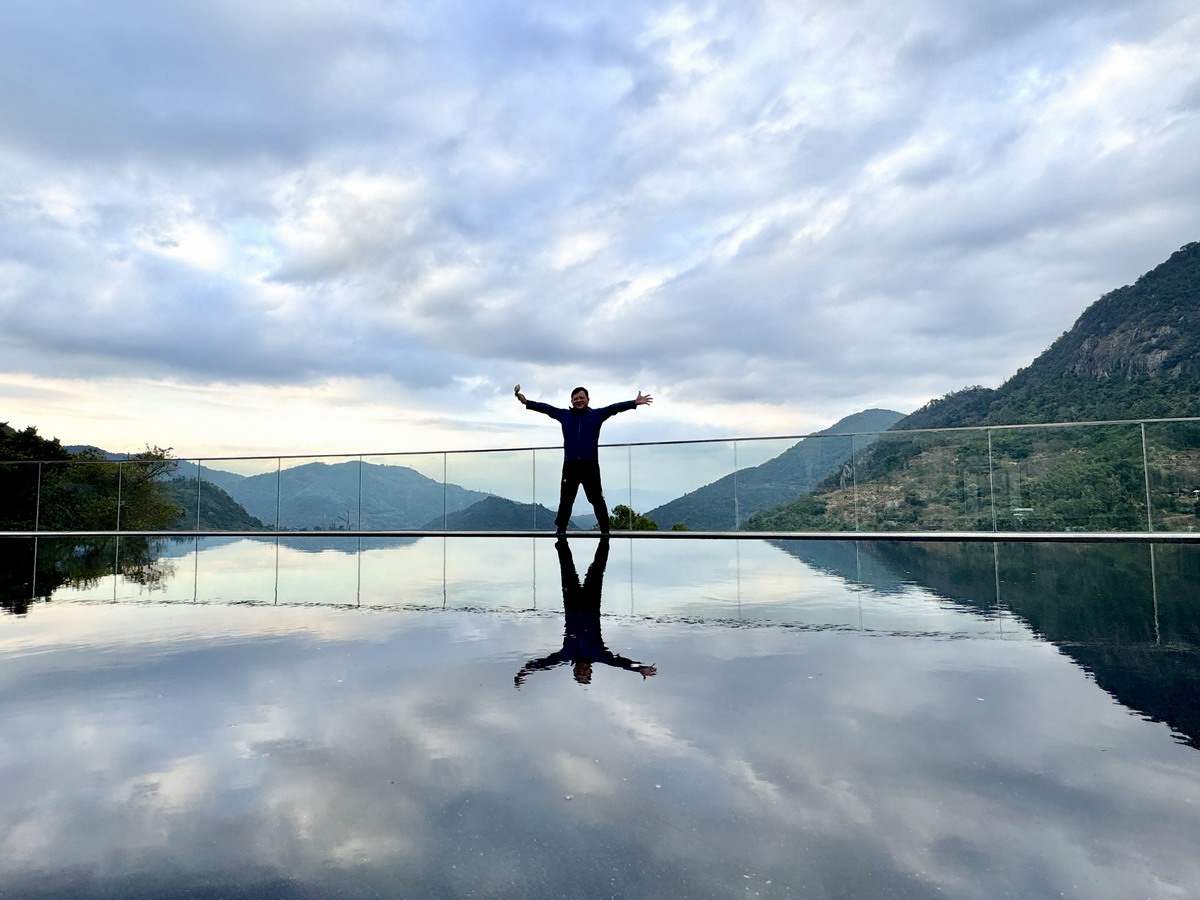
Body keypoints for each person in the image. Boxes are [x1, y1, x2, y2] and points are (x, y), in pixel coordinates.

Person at [514, 537, 656, 687]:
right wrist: (639, 668)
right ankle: (604, 539)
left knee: (567, 569)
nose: (581, 671)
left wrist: (526, 670)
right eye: (584, 674)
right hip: (591, 606)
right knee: (597, 570)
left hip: (572, 606)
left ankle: (561, 539)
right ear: (590, 671)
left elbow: (545, 663)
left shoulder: (566, 654)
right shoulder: (599, 656)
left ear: (574, 670)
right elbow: (619, 663)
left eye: (578, 674)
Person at [516, 385, 652, 533]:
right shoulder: (564, 415)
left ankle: (605, 530)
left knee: (596, 499)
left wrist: (633, 403)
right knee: (566, 500)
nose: (579, 400)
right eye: (576, 399)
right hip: (570, 464)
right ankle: (561, 529)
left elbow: (614, 408)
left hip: (590, 464)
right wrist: (527, 402)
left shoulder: (596, 415)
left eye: (581, 398)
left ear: (588, 399)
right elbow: (546, 408)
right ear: (571, 401)